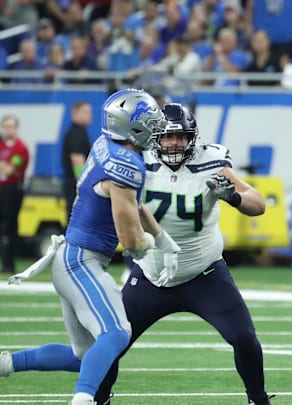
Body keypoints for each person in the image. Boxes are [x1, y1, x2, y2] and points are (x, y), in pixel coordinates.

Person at [0, 88, 180, 405]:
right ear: (134, 126)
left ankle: (6, 364)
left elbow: (134, 206)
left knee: (84, 355)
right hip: (81, 261)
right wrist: (151, 245)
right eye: (150, 122)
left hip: (69, 257)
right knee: (116, 334)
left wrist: (166, 242)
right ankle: (83, 401)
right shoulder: (125, 165)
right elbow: (131, 242)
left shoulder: (107, 145)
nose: (156, 129)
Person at [95, 103, 272, 405]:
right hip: (152, 274)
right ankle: (98, 400)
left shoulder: (211, 160)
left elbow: (258, 203)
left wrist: (234, 196)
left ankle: (258, 400)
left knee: (244, 338)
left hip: (204, 273)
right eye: (167, 137)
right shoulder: (138, 160)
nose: (175, 144)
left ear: (193, 138)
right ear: (154, 138)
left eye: (181, 137)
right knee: (111, 343)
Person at [0, 115, 29, 274]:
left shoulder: (20, 148)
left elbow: (10, 169)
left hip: (11, 188)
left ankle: (8, 264)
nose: (8, 130)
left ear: (16, 128)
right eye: (5, 126)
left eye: (11, 127)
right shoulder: (1, 145)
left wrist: (5, 166)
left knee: (9, 226)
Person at [62, 101, 93, 223]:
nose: (89, 115)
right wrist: (83, 186)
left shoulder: (81, 132)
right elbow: (77, 163)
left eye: (90, 112)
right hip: (75, 186)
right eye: (85, 112)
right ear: (75, 114)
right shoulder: (76, 134)